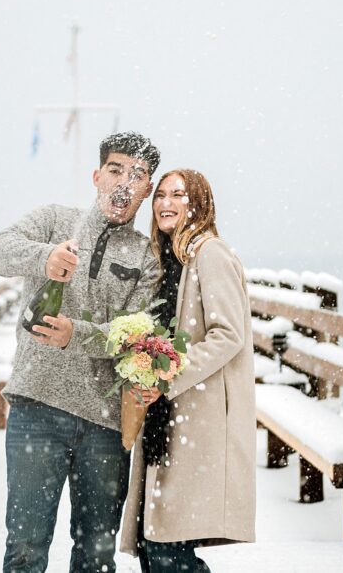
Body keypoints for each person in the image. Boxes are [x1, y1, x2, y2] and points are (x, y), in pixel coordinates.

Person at [0, 131, 162, 573]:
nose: (125, 182)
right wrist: (44, 258)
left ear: (148, 189)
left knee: (96, 555)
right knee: (25, 545)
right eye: (117, 170)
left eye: (138, 175)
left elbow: (133, 333)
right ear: (97, 175)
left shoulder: (146, 256)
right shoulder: (53, 220)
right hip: (35, 408)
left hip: (104, 422)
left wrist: (75, 335)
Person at [120, 169, 256, 572]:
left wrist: (167, 375)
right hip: (169, 419)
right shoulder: (170, 259)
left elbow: (228, 334)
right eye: (160, 194)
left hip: (198, 418)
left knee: (168, 548)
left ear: (198, 203)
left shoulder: (210, 253)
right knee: (155, 544)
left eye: (178, 194)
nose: (165, 202)